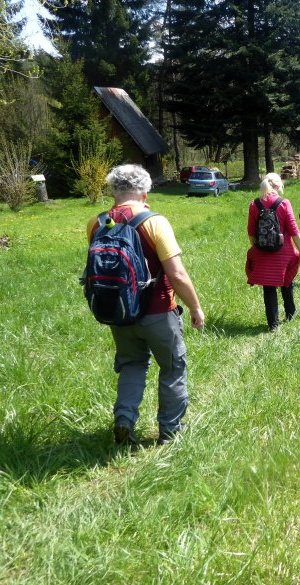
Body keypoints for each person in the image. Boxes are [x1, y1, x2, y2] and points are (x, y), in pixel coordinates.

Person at [87, 164, 205, 446]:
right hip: (159, 311)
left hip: (119, 312)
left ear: (113, 189)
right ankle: (170, 431)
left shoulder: (96, 222)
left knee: (131, 365)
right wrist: (195, 307)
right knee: (173, 367)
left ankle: (124, 420)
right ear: (145, 190)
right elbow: (176, 273)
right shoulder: (154, 221)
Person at [246, 172, 300, 331]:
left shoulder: (254, 204)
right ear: (278, 186)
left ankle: (273, 324)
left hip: (263, 253)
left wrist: (257, 248)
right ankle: (290, 314)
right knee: (287, 283)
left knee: (269, 288)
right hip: (284, 252)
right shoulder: (284, 203)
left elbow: (251, 231)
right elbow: (293, 230)